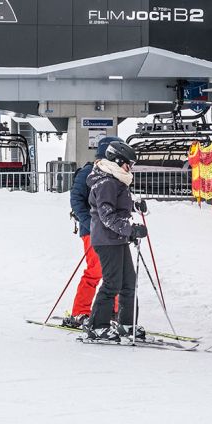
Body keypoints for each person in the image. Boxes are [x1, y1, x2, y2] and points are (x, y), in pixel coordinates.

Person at [84, 141, 148, 341]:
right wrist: (130, 228)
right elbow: (106, 215)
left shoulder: (116, 179)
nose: (131, 168)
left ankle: (127, 323)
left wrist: (135, 205)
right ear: (118, 161)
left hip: (118, 238)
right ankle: (97, 327)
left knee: (128, 282)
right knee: (112, 283)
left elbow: (119, 206)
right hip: (106, 240)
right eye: (129, 164)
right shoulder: (106, 182)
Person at [65, 135, 124, 328]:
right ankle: (80, 312)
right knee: (95, 270)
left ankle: (112, 311)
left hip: (112, 230)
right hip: (92, 230)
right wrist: (91, 223)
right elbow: (76, 200)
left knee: (114, 271)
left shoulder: (114, 173)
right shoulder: (88, 172)